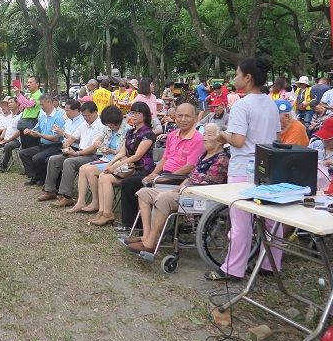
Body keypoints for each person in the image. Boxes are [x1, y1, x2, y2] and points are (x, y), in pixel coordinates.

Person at [206, 57, 281, 282]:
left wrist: (222, 134)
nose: (234, 78)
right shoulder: (271, 103)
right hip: (268, 165)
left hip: (243, 168)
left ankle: (233, 268)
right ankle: (271, 264)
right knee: (270, 219)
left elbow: (238, 141)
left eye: (237, 74)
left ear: (247, 78)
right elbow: (277, 137)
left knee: (240, 221)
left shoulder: (241, 104)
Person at [126, 123, 229, 254]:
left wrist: (183, 190)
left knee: (163, 198)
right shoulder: (205, 155)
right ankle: (146, 236)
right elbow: (191, 176)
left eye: (209, 135)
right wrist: (178, 189)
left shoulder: (222, 159)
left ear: (220, 140)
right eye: (204, 134)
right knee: (144, 193)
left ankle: (151, 242)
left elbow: (208, 183)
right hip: (186, 191)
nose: (204, 138)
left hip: (200, 197)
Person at [116, 102, 204, 232]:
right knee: (131, 183)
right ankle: (136, 224)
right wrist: (154, 174)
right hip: (165, 173)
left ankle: (146, 229)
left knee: (131, 183)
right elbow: (165, 158)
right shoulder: (173, 135)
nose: (183, 119)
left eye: (187, 116)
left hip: (179, 177)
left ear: (195, 118)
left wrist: (162, 178)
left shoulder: (198, 139)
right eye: (180, 116)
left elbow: (189, 167)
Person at [91, 102, 156, 227]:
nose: (134, 115)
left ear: (145, 115)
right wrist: (110, 164)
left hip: (142, 169)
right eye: (133, 112)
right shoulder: (131, 132)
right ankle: (103, 211)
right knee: (103, 176)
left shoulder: (148, 134)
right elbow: (122, 151)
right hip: (128, 168)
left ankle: (107, 213)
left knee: (107, 177)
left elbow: (137, 156)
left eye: (138, 113)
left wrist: (114, 167)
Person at [38, 101, 105, 207]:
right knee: (53, 159)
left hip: (93, 156)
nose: (85, 118)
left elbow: (93, 149)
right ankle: (50, 190)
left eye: (87, 116)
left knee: (69, 162)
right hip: (81, 153)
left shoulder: (101, 126)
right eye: (83, 116)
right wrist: (67, 142)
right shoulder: (84, 124)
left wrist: (77, 153)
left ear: (95, 112)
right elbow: (74, 137)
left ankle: (66, 196)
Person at [68, 105, 128, 213]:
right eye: (107, 123)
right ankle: (81, 201)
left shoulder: (127, 130)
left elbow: (125, 152)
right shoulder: (107, 128)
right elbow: (100, 138)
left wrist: (111, 151)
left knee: (89, 170)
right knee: (82, 169)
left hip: (119, 161)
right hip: (107, 158)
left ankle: (96, 201)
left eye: (111, 123)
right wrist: (97, 142)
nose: (109, 126)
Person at [18, 95, 65, 186]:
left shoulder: (58, 118)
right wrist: (29, 131)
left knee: (37, 158)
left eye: (42, 105)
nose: (41, 107)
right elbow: (37, 129)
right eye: (40, 105)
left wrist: (40, 135)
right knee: (23, 153)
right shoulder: (43, 117)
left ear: (50, 103)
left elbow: (56, 138)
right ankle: (35, 176)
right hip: (43, 145)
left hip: (55, 146)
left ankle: (46, 179)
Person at [0, 97, 22, 172]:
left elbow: (19, 131)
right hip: (6, 138)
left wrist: (8, 140)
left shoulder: (21, 115)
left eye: (11, 102)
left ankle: (4, 165)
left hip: (15, 140)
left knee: (8, 145)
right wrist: (1, 137)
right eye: (8, 103)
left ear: (18, 104)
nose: (9, 104)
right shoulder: (11, 115)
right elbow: (5, 129)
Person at [14, 75, 42, 149]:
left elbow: (28, 104)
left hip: (31, 123)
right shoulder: (30, 95)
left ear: (37, 84)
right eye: (28, 82)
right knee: (25, 147)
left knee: (31, 147)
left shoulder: (38, 95)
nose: (28, 84)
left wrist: (19, 94)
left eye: (30, 82)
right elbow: (21, 108)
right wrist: (22, 98)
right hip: (24, 123)